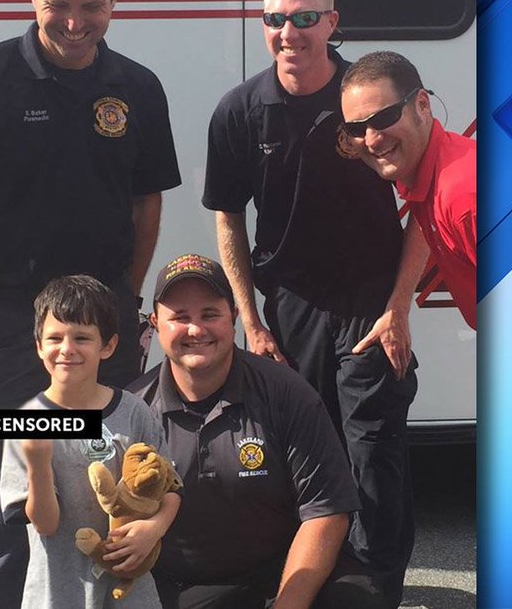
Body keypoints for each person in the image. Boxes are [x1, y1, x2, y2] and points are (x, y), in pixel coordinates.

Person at [0, 0, 181, 604]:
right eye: (57, 2)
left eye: (91, 5)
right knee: (7, 504)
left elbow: (145, 200)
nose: (74, 21)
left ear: (116, 0)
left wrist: (124, 295)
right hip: (9, 332)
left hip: (99, 336)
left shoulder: (139, 89)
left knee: (106, 494)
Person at [202, 0, 426, 604]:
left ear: (332, 22)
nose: (288, 32)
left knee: (374, 452)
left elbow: (427, 202)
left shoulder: (365, 102)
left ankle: (381, 588)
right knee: (304, 453)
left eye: (304, 18)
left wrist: (399, 304)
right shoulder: (240, 111)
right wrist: (251, 321)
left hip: (369, 304)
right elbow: (228, 218)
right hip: (290, 308)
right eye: (275, 19)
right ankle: (320, 583)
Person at [128, 254, 391, 609]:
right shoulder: (133, 410)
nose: (196, 330)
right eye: (180, 317)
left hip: (278, 572)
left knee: (357, 599)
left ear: (234, 318)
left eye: (210, 314)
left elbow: (327, 512)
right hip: (187, 582)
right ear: (156, 323)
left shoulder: (287, 393)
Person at [0, 275, 182, 609]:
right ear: (39, 345)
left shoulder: (133, 410)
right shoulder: (26, 422)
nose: (67, 349)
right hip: (57, 593)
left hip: (131, 593)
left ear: (108, 346)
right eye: (55, 338)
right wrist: (38, 464)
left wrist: (154, 529)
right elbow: (45, 524)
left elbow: (171, 490)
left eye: (82, 337)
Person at [340, 51, 477, 329]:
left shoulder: (462, 196)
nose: (372, 140)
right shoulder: (424, 179)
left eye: (384, 118)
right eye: (356, 128)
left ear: (422, 105)